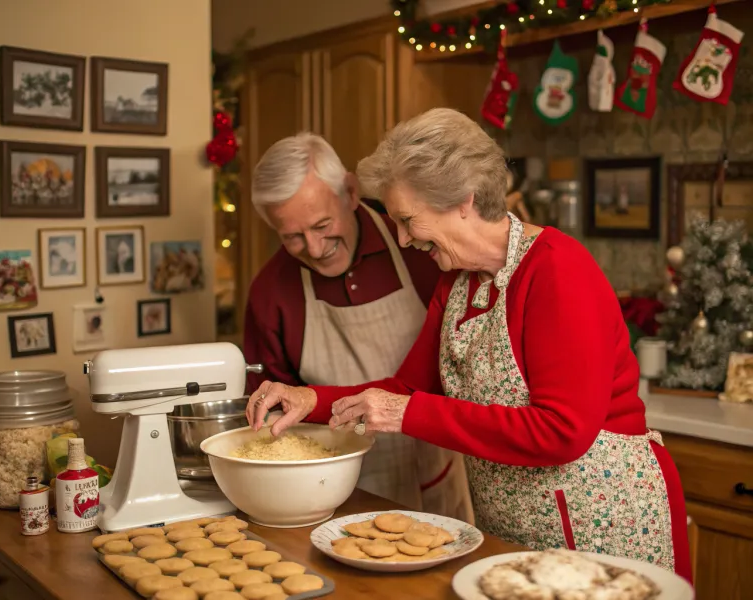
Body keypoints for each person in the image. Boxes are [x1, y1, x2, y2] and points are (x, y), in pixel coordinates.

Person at [246, 109, 692, 583]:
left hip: (598, 522)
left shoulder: (558, 270)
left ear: (463, 200)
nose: (401, 237)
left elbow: (563, 431)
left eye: (407, 219)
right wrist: (310, 399)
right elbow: (407, 387)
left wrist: (407, 413)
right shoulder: (459, 282)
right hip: (514, 530)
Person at [244, 132, 473, 523]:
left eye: (321, 224)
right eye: (292, 237)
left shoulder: (420, 250)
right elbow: (271, 417)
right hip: (334, 493)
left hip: (436, 471)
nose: (315, 249)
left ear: (350, 192)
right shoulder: (271, 293)